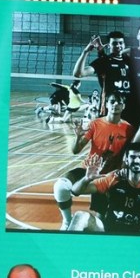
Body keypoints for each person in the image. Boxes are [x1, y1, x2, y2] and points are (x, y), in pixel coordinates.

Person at [53, 93, 134, 229]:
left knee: (102, 221)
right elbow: (75, 150)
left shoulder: (129, 129)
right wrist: (77, 137)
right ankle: (67, 221)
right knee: (60, 186)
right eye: (112, 101)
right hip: (88, 170)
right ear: (106, 104)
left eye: (119, 102)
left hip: (108, 176)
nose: (115, 104)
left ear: (123, 106)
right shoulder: (95, 124)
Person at [66, 143, 140, 234]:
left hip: (137, 236)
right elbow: (75, 191)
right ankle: (66, 252)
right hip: (109, 232)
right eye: (133, 157)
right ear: (126, 160)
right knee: (80, 216)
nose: (137, 161)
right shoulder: (114, 178)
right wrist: (87, 178)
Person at [72, 31, 132, 116]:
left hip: (128, 108)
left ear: (124, 44)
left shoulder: (130, 61)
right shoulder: (103, 62)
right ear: (109, 45)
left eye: (121, 43)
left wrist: (101, 50)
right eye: (114, 43)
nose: (118, 46)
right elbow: (78, 73)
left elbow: (135, 51)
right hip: (109, 109)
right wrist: (85, 52)